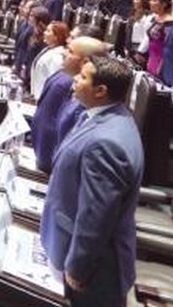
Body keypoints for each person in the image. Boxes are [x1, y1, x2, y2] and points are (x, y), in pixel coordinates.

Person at [40, 55, 143, 306]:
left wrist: (77, 267)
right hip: (77, 249)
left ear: (100, 90)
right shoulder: (108, 117)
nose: (75, 78)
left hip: (96, 271)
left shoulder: (106, 143)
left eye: (83, 77)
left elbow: (96, 216)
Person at [29, 36, 108, 173]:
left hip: (51, 168)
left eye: (70, 51)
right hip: (43, 159)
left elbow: (62, 138)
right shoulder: (67, 81)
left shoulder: (83, 100)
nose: (64, 53)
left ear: (85, 62)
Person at [30, 21, 69, 102]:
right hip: (37, 95)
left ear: (57, 36)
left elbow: (54, 83)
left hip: (45, 98)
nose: (44, 33)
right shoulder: (47, 49)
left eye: (48, 31)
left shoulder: (58, 56)